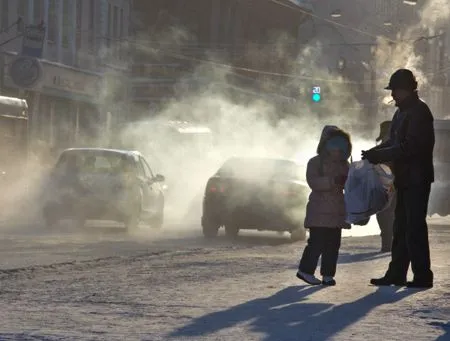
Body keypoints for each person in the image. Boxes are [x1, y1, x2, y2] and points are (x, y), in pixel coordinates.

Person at [362, 69, 435, 288]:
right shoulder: (403, 112)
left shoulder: (419, 112)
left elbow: (410, 147)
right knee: (400, 228)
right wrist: (374, 152)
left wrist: (381, 154)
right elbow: (394, 141)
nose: (392, 94)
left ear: (406, 89)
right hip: (405, 178)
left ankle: (422, 276)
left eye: (395, 90)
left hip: (416, 178)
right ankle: (397, 273)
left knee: (413, 228)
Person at [297, 125, 352, 286]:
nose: (336, 150)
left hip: (336, 211)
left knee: (333, 246)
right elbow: (313, 182)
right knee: (316, 243)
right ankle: (305, 270)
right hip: (319, 210)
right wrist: (332, 181)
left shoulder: (344, 165)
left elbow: (351, 184)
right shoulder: (315, 163)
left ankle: (328, 274)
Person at [374, 121, 395, 253]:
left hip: (391, 186)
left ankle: (388, 243)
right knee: (385, 215)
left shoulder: (393, 147)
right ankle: (387, 242)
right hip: (385, 187)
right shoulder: (381, 148)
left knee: (387, 215)